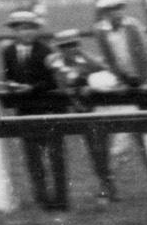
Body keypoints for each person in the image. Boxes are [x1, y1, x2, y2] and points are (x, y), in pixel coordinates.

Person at [1, 10, 67, 211]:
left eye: (30, 29)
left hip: (48, 108)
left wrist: (33, 88)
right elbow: (9, 75)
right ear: (14, 31)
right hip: (25, 110)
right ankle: (42, 198)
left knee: (55, 155)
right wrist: (11, 86)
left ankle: (61, 199)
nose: (27, 33)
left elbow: (54, 80)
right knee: (32, 157)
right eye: (22, 29)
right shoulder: (8, 52)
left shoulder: (47, 51)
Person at [47, 29, 118, 202]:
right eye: (64, 46)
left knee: (98, 151)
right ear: (59, 48)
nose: (69, 49)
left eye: (72, 45)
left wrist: (92, 86)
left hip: (89, 111)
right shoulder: (53, 62)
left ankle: (107, 187)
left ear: (78, 45)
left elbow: (109, 76)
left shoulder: (89, 61)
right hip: (64, 112)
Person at [92, 0, 147, 89]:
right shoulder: (100, 31)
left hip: (141, 75)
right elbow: (107, 57)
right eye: (114, 10)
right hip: (121, 79)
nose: (119, 13)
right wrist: (117, 78)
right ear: (106, 13)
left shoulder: (134, 25)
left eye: (120, 8)